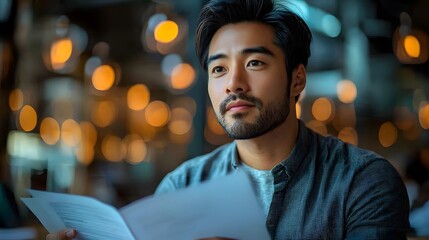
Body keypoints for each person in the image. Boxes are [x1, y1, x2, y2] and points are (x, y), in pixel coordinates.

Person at [48, 0, 410, 239]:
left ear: (297, 78)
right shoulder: (182, 185)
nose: (233, 84)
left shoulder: (362, 181)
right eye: (218, 68)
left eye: (254, 63)